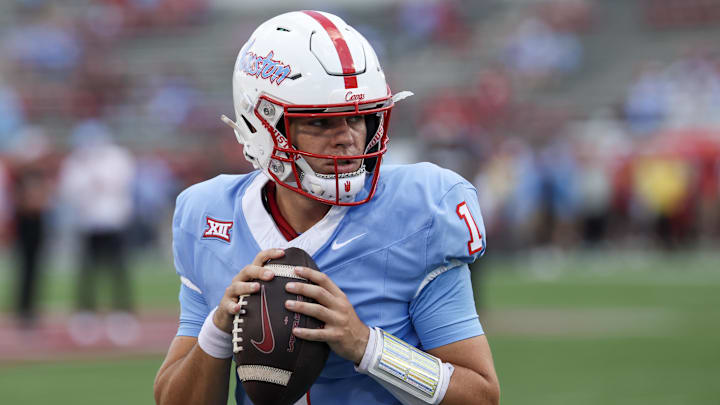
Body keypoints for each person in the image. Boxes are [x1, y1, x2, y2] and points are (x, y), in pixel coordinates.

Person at [154, 10, 499, 405]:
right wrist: (217, 330)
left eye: (360, 118)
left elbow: (481, 395)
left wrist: (368, 347)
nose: (349, 139)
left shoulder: (420, 209)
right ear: (261, 125)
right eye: (321, 122)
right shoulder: (210, 214)